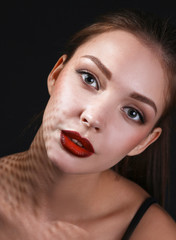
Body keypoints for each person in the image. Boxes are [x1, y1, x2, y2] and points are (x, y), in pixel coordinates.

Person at [0, 8, 176, 240]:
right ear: (56, 75)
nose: (93, 118)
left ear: (144, 142)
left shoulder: (153, 233)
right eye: (89, 79)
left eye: (132, 113)